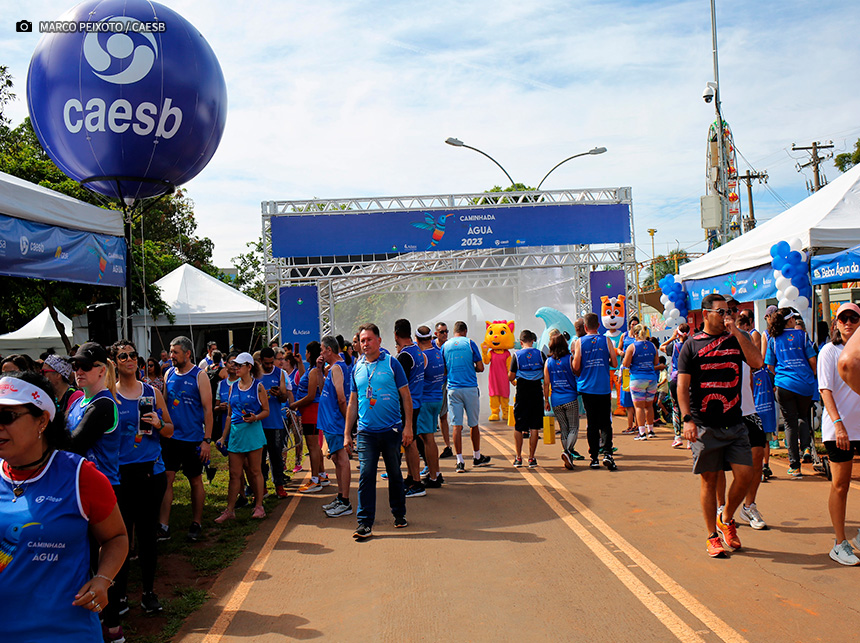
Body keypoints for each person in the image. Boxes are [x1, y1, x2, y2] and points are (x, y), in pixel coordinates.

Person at [0, 371, 129, 642]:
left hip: (65, 631)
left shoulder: (81, 476)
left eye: (7, 416)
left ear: (42, 420)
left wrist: (103, 579)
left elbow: (116, 536)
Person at [678, 293, 763, 558]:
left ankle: (725, 518)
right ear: (705, 314)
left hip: (734, 422)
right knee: (709, 480)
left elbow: (757, 362)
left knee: (745, 475)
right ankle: (711, 536)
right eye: (721, 312)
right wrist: (687, 419)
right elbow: (682, 387)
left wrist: (736, 331)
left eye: (729, 312)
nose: (727, 316)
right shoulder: (691, 346)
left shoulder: (736, 339)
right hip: (704, 426)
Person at [111, 340, 174, 616]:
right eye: (123, 356)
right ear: (114, 362)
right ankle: (120, 595)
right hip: (120, 475)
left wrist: (160, 424)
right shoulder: (108, 396)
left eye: (133, 355)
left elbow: (171, 429)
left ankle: (148, 593)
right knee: (122, 537)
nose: (129, 359)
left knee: (147, 537)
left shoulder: (152, 392)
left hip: (151, 471)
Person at [345, 324, 412, 540]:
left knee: (394, 473)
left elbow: (406, 396)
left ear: (379, 341)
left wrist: (408, 426)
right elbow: (353, 402)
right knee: (365, 475)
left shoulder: (392, 363)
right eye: (362, 340)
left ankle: (399, 514)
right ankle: (364, 523)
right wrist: (347, 433)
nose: (365, 344)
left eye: (369, 339)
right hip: (366, 432)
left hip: (391, 430)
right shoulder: (357, 367)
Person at [816, 303, 860, 564]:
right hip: (839, 429)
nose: (848, 323)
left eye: (853, 318)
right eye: (843, 318)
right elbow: (825, 391)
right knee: (841, 485)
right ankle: (839, 542)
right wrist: (839, 424)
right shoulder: (829, 352)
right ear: (836, 323)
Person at [159, 336, 214, 542]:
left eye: (175, 352)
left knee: (195, 480)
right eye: (171, 352)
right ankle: (163, 526)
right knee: (167, 479)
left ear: (188, 354)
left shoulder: (200, 376)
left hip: (193, 439)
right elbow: (164, 404)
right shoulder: (168, 374)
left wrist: (206, 440)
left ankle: (196, 522)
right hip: (171, 438)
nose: (171, 356)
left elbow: (208, 410)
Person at [215, 353, 270, 522]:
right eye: (235, 365)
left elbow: (266, 411)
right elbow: (230, 415)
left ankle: (259, 506)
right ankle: (229, 510)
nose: (236, 368)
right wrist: (223, 437)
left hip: (253, 434)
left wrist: (255, 417)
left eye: (239, 365)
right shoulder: (233, 387)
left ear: (249, 367)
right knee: (234, 474)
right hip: (236, 435)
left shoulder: (258, 387)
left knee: (255, 471)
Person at [765, 307, 817, 477]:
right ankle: (807, 448)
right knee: (803, 416)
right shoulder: (802, 336)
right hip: (805, 384)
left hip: (784, 385)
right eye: (793, 318)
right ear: (790, 320)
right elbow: (812, 360)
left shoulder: (773, 339)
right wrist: (812, 375)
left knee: (789, 423)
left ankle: (795, 465)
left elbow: (770, 366)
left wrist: (780, 377)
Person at [441, 321, 489, 473]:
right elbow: (480, 367)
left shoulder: (445, 346)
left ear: (454, 332)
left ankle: (460, 460)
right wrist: (472, 367)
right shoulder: (470, 343)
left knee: (456, 426)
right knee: (474, 424)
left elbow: (443, 370)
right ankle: (476, 456)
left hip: (453, 389)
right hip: (469, 388)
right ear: (465, 331)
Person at [574, 313, 619, 470]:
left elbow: (576, 366)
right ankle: (607, 453)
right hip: (603, 387)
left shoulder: (579, 342)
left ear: (585, 327)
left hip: (587, 388)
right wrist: (603, 363)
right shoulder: (606, 340)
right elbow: (614, 362)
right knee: (605, 423)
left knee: (592, 423)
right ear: (598, 326)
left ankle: (594, 458)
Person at [317, 336, 353, 517]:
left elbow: (341, 397)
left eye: (322, 350)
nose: (321, 353)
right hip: (331, 421)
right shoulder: (333, 368)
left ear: (329, 350)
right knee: (337, 460)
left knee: (342, 460)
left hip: (336, 422)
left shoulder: (337, 367)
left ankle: (345, 501)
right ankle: (340, 497)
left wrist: (347, 423)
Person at [394, 319, 427, 496]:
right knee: (409, 443)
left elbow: (399, 384)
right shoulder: (417, 351)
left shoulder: (405, 356)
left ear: (396, 334)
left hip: (409, 404)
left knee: (410, 442)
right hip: (416, 401)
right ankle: (411, 476)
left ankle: (416, 482)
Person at [291, 341, 329, 493]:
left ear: (310, 353)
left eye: (306, 352)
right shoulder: (311, 370)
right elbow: (303, 380)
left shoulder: (314, 371)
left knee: (312, 446)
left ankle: (314, 480)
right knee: (315, 446)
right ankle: (321, 475)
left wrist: (295, 404)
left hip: (311, 410)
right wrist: (300, 363)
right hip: (310, 411)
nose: (305, 354)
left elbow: (311, 395)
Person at [259, 346, 293, 499]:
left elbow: (284, 397)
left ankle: (279, 485)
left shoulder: (279, 373)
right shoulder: (255, 374)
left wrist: (279, 393)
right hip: (259, 423)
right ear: (260, 361)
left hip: (274, 422)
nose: (269, 366)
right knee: (259, 458)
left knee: (276, 456)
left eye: (271, 362)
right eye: (266, 363)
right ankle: (262, 487)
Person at [509, 329, 546, 467]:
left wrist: (514, 379)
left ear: (521, 342)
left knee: (519, 426)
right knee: (534, 426)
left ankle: (518, 457)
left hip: (522, 393)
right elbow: (545, 374)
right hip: (536, 392)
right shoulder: (540, 354)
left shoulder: (517, 355)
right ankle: (531, 458)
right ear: (533, 341)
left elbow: (511, 376)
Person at [544, 332, 579, 469]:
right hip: (570, 397)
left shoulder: (548, 362)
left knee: (564, 429)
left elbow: (546, 384)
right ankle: (567, 451)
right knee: (574, 428)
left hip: (556, 400)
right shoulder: (570, 359)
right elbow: (577, 372)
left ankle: (568, 457)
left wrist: (546, 400)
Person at [415, 325, 445, 487]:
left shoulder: (423, 356)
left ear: (417, 338)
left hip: (425, 400)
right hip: (437, 398)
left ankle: (434, 477)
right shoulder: (438, 352)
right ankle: (436, 472)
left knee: (428, 440)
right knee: (429, 438)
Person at [622, 325, 662, 441]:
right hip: (651, 378)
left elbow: (626, 364)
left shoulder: (632, 347)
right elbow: (656, 362)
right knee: (649, 406)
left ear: (635, 334)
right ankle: (651, 430)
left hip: (637, 379)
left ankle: (642, 433)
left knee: (638, 407)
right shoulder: (652, 346)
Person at [433, 322, 454, 458]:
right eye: (442, 332)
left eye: (446, 331)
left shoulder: (449, 346)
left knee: (444, 416)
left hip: (446, 382)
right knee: (431, 417)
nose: (445, 334)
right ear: (436, 333)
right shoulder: (430, 345)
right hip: (433, 384)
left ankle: (448, 446)